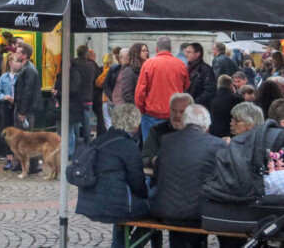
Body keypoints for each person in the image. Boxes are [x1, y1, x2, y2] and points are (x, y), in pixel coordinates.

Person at [75, 104, 152, 248]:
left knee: (121, 209)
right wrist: (146, 197)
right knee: (155, 210)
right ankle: (132, 245)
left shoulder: (99, 140)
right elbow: (138, 183)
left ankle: (119, 245)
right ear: (135, 125)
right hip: (114, 206)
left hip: (91, 203)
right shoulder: (129, 146)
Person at [155, 104, 226, 247]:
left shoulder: (167, 140)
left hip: (167, 213)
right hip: (200, 214)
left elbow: (157, 172)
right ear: (206, 123)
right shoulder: (217, 144)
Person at [135, 36, 190, 141]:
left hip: (152, 114)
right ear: (171, 48)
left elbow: (140, 92)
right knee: (173, 146)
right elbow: (186, 86)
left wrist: (141, 110)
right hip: (174, 114)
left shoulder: (148, 64)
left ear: (156, 48)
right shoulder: (181, 64)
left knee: (150, 147)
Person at [142, 93, 194, 169]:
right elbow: (144, 159)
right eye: (173, 111)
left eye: (181, 112)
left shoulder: (196, 132)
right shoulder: (157, 130)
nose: (177, 116)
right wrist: (154, 161)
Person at [14, 42, 44, 172]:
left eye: (19, 52)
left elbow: (28, 92)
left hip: (26, 108)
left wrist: (23, 111)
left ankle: (32, 164)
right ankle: (27, 163)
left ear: (25, 55)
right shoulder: (24, 68)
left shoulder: (29, 69)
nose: (16, 54)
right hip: (22, 106)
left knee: (27, 137)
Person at [0, 51, 20, 171]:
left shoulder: (21, 75)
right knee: (7, 133)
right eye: (16, 61)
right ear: (10, 63)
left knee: (19, 133)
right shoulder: (3, 77)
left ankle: (18, 159)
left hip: (18, 106)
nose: (18, 64)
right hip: (6, 107)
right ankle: (9, 159)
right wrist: (4, 97)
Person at [72, 44, 97, 144]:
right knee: (86, 121)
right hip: (87, 97)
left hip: (75, 97)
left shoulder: (74, 63)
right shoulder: (91, 65)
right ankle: (88, 141)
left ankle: (77, 141)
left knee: (75, 121)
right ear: (86, 53)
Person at [184, 42, 216, 109]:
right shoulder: (187, 68)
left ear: (197, 54)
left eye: (189, 52)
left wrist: (195, 102)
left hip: (200, 107)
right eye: (185, 52)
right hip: (189, 105)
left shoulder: (206, 69)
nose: (186, 54)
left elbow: (210, 91)